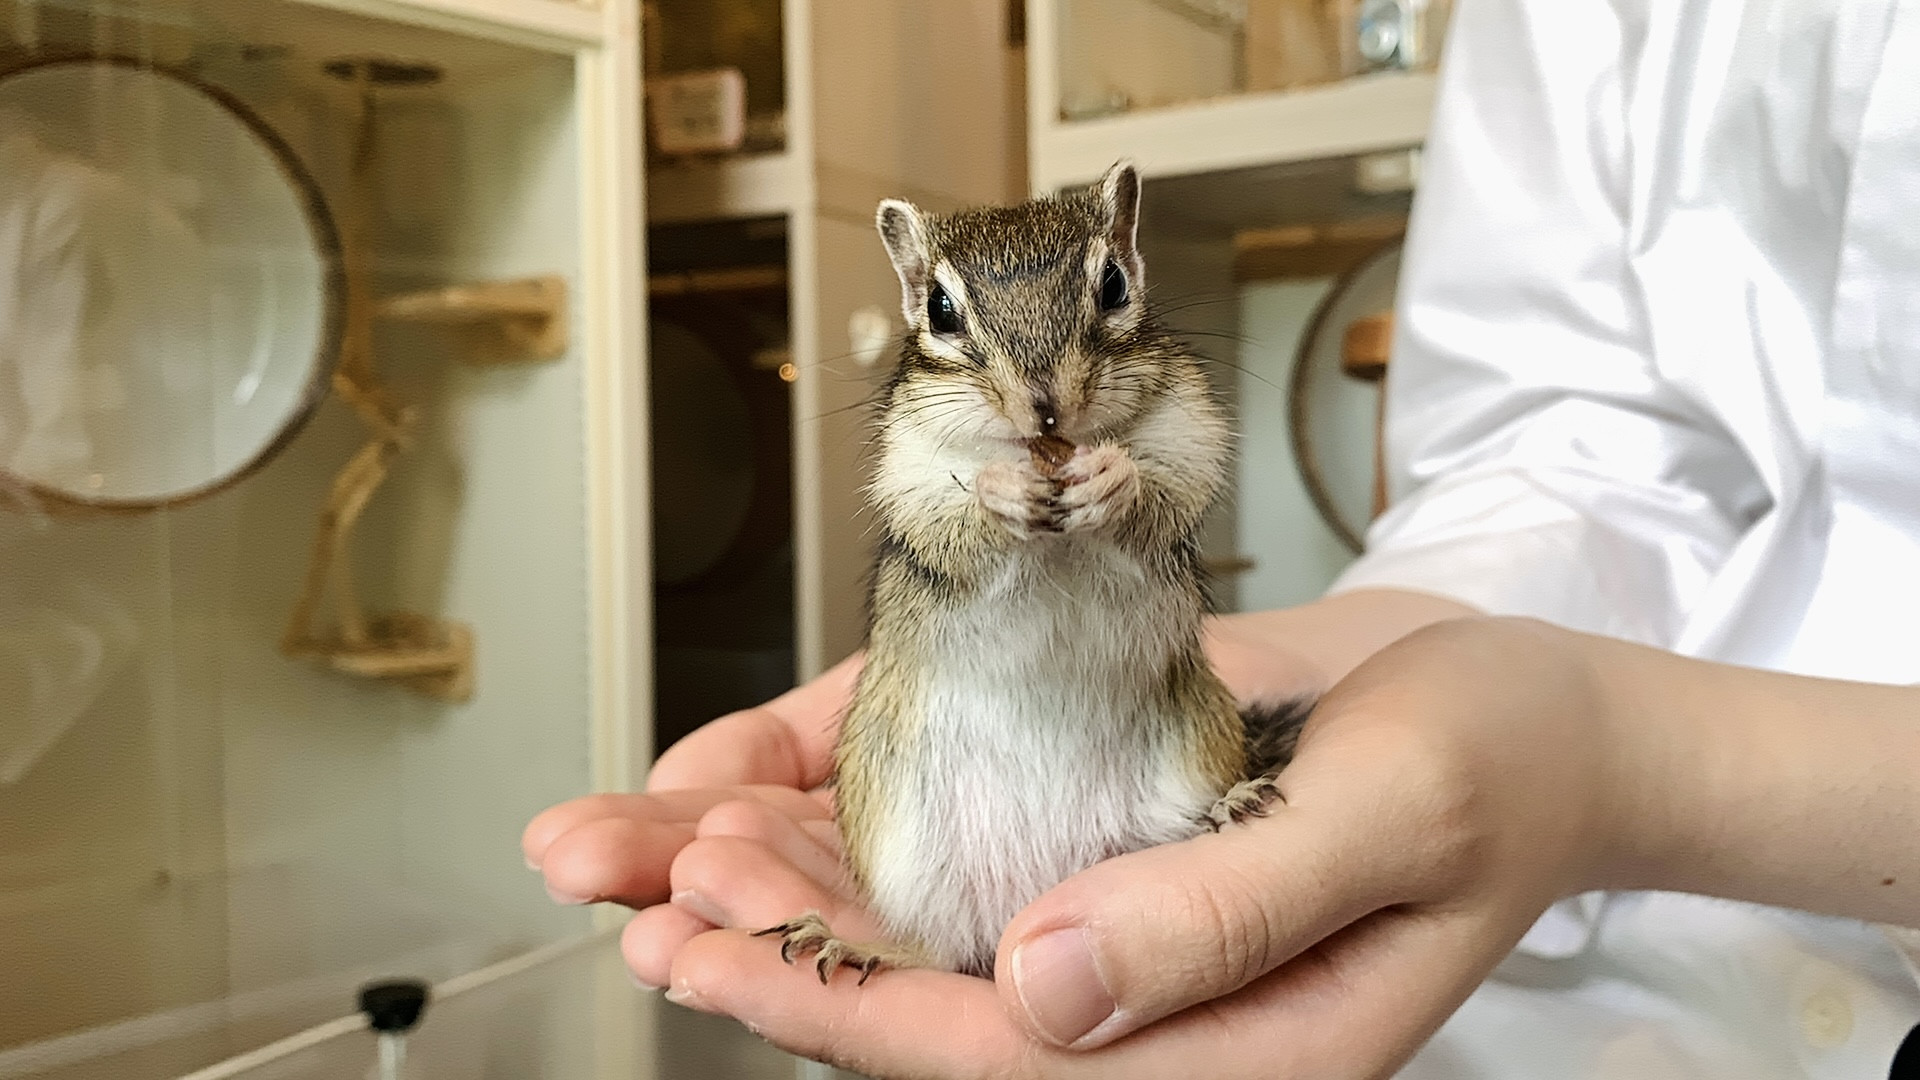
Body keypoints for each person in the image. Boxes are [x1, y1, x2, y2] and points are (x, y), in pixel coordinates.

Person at [525, 0, 1920, 1075]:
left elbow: (1184, 479)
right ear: (917, 293)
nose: (1045, 396)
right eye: (968, 345)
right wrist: (1360, 653)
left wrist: (1612, 766)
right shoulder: (928, 432)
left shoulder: (1155, 401)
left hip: (1665, 897)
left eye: (1098, 320)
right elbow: (1569, 454)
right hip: (1625, 997)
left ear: (1122, 259)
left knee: (1182, 749)